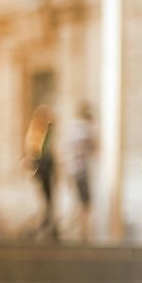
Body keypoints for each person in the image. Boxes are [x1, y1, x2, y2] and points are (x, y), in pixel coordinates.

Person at [23, 104, 57, 241]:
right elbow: (33, 152)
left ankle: (49, 225)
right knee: (45, 200)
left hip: (46, 168)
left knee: (49, 200)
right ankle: (44, 225)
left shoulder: (47, 132)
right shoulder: (37, 133)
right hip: (42, 168)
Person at [65, 102, 97, 241]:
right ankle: (82, 233)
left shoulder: (73, 128)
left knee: (81, 203)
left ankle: (81, 232)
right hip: (80, 171)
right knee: (85, 203)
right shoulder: (82, 129)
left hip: (74, 170)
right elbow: (91, 147)